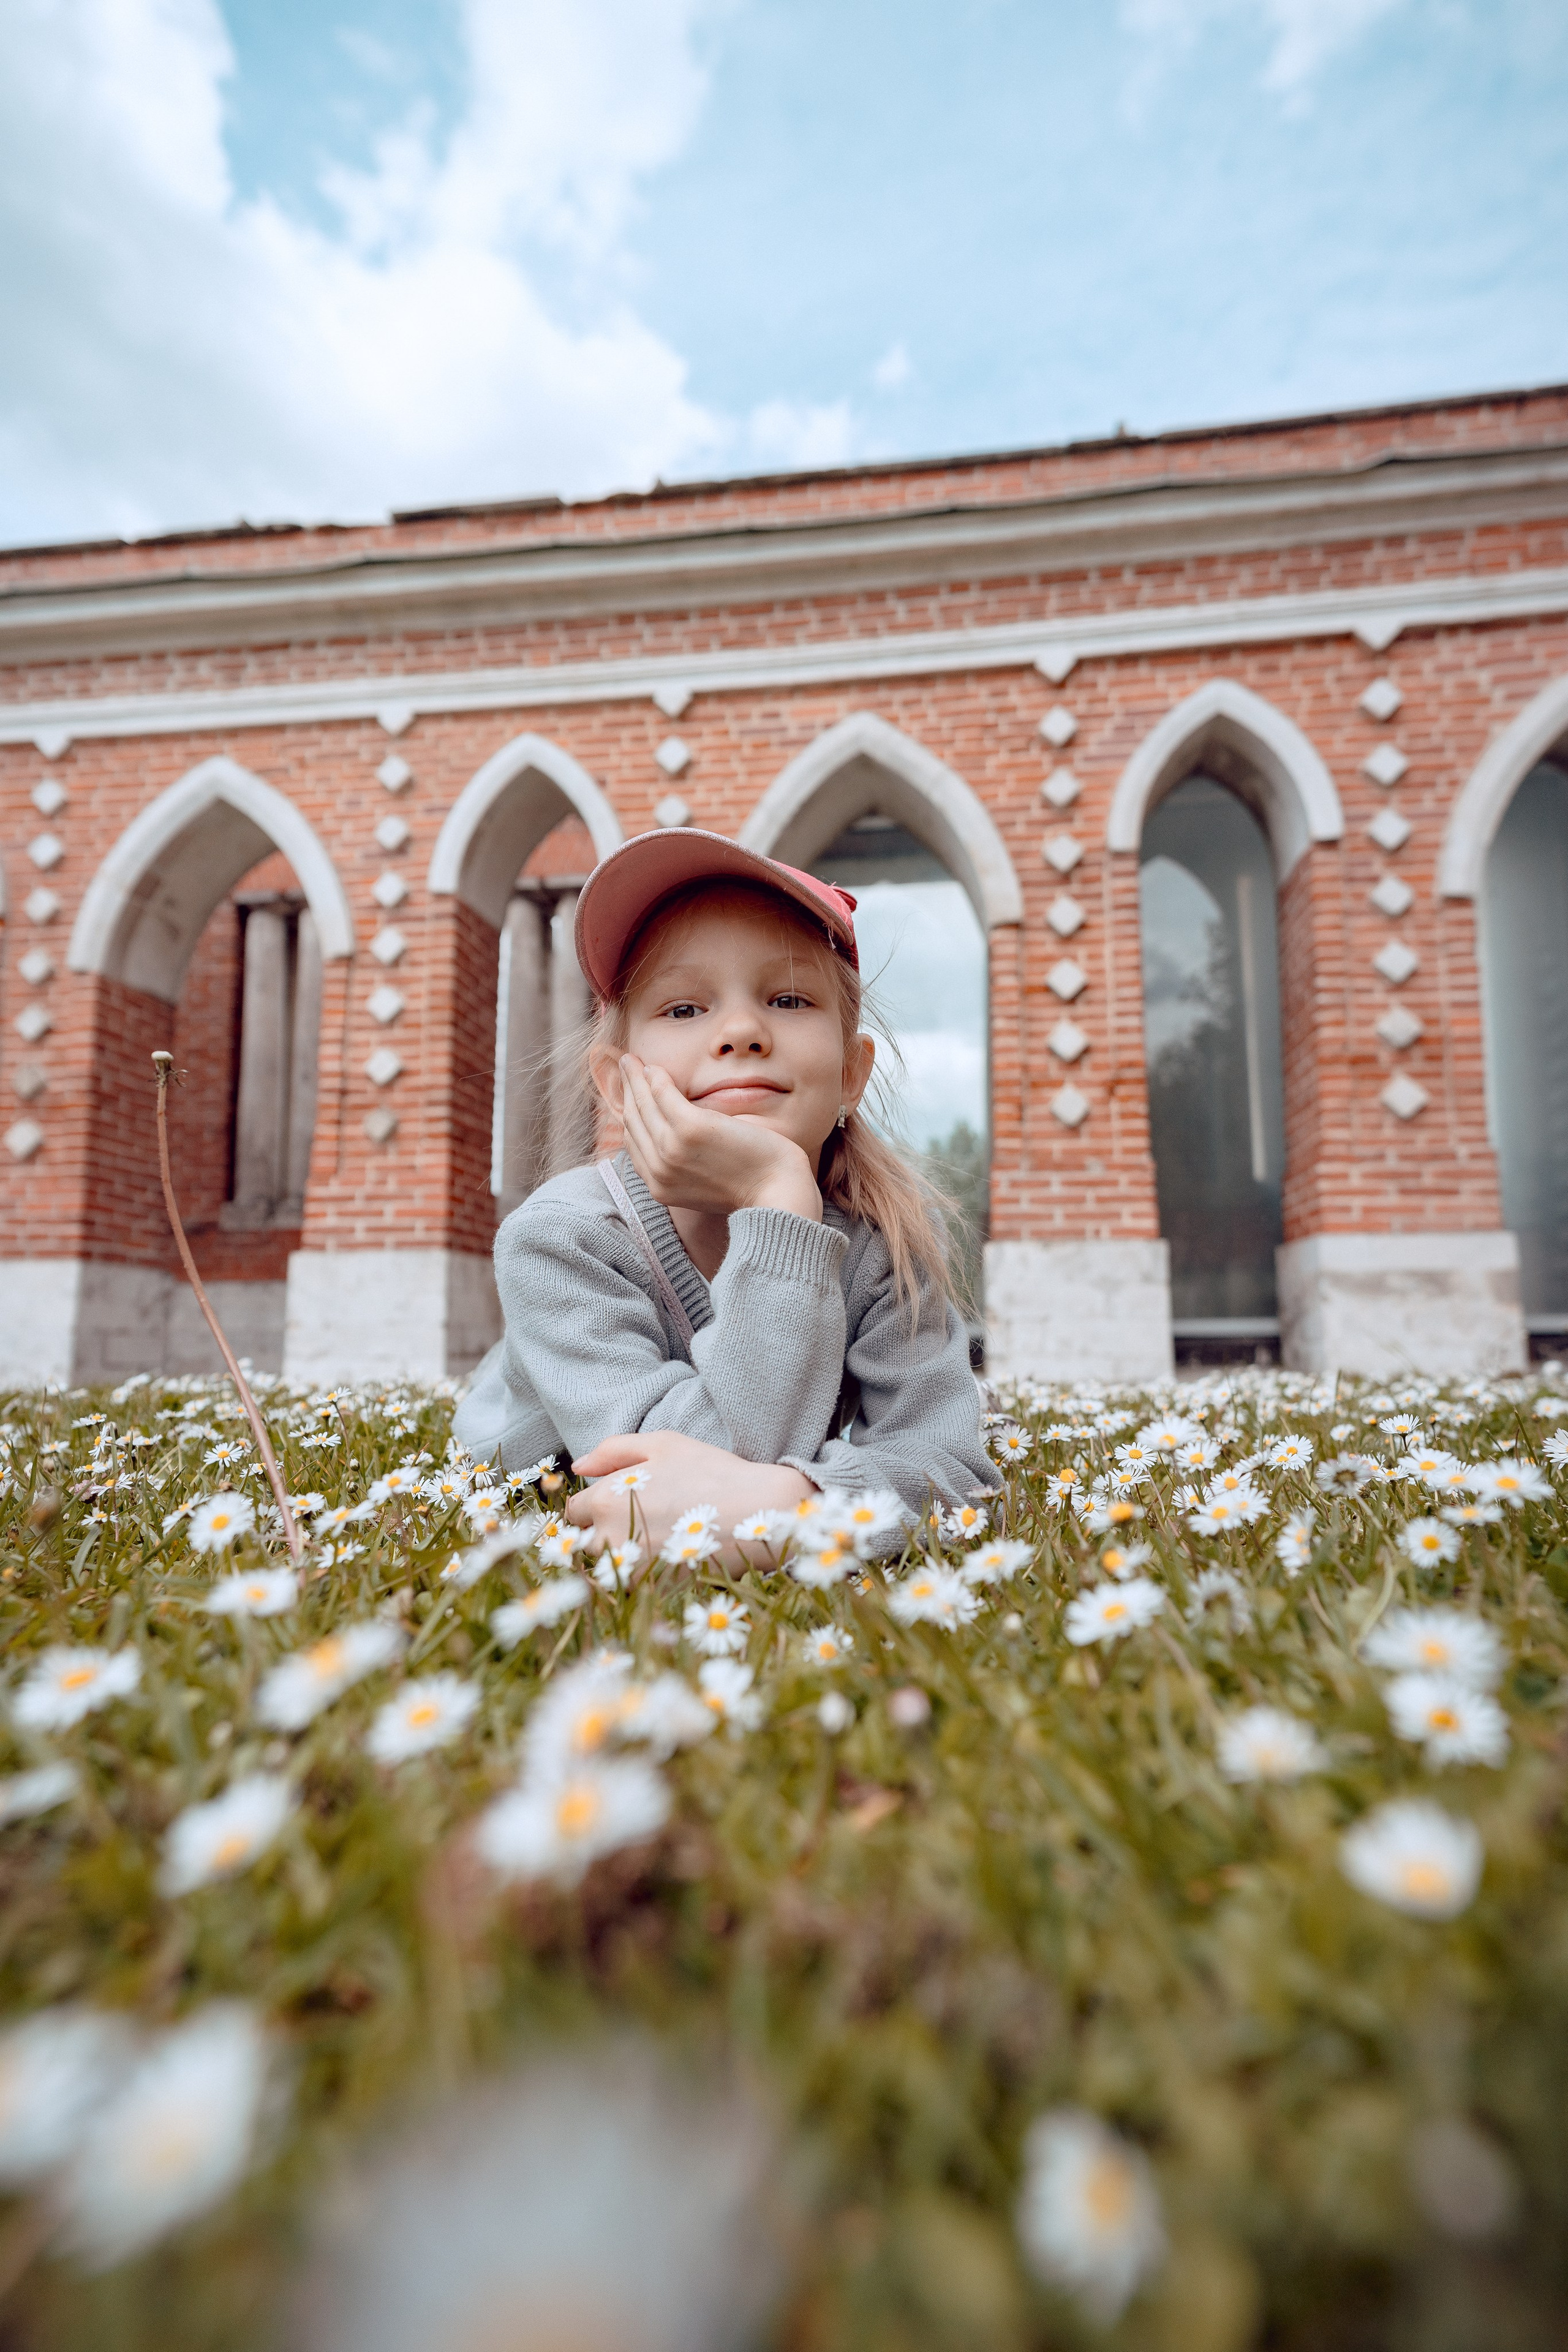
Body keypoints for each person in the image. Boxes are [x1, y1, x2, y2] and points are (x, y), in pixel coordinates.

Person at [453, 826, 996, 1556]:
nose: (741, 1031)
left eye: (789, 998)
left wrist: (797, 1509)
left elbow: (957, 1478)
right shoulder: (559, 1238)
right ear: (617, 1087)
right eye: (683, 1009)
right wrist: (778, 1198)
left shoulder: (885, 1245)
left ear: (850, 1073)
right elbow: (675, 1481)